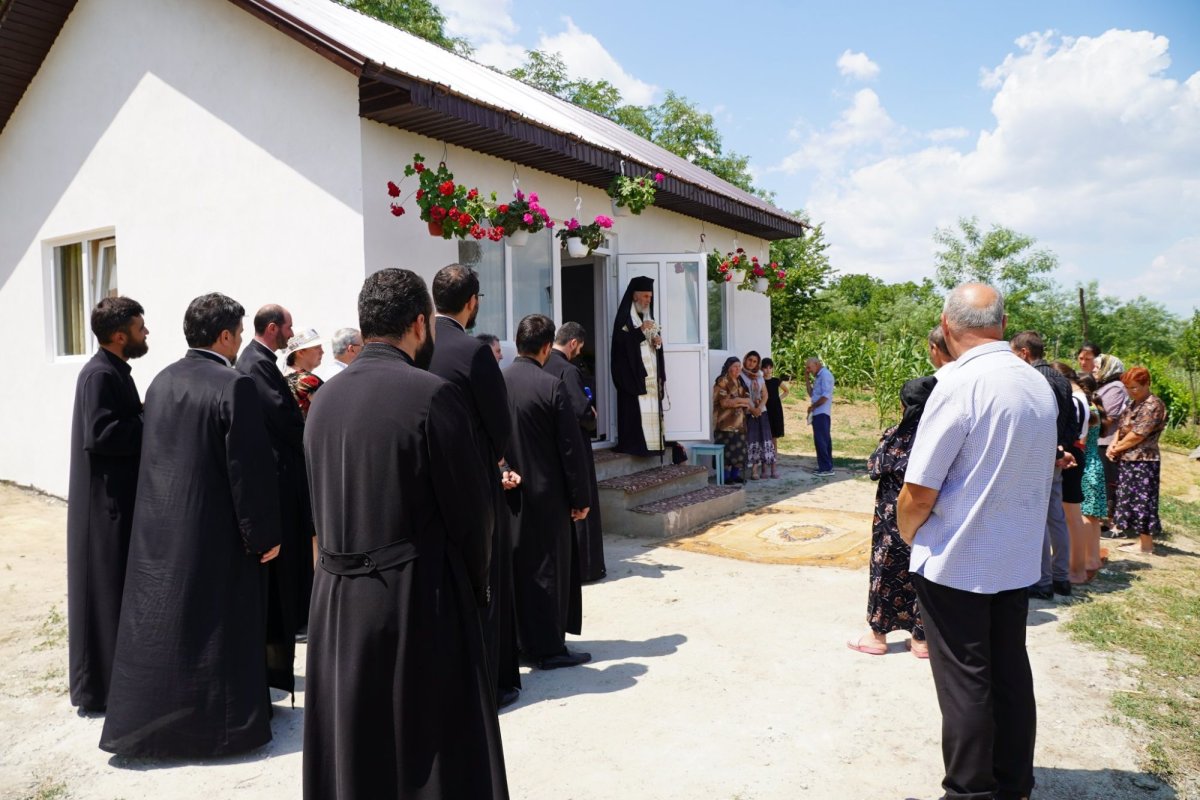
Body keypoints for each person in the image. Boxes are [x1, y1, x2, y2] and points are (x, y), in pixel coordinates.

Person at [303, 268, 508, 799]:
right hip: (416, 598)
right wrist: (476, 586)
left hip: (336, 602)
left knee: (357, 749)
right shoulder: (431, 396)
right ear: (420, 323)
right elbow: (471, 513)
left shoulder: (322, 400)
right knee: (426, 750)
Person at [100, 293, 281, 757]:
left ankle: (156, 726)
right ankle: (224, 730)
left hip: (160, 528)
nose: (241, 341)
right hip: (216, 530)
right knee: (219, 632)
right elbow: (247, 469)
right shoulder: (233, 384)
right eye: (239, 333)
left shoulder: (160, 380)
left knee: (167, 630)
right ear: (224, 335)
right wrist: (263, 535)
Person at [898, 283, 1057, 800]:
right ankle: (1014, 782)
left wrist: (908, 532)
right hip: (1014, 557)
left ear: (946, 324)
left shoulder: (959, 384)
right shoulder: (1033, 382)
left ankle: (968, 791)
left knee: (966, 680)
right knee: (1009, 671)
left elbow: (920, 489)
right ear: (1003, 325)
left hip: (958, 559)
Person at [427, 264, 521, 709]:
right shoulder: (472, 352)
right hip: (474, 480)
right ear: (472, 301)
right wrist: (496, 460)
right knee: (485, 576)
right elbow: (500, 424)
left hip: (425, 480)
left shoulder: (418, 345)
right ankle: (491, 680)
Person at [66, 296, 148, 713]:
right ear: (120, 335)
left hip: (113, 504)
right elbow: (101, 434)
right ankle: (97, 691)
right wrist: (147, 422)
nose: (145, 332)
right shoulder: (99, 374)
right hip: (103, 510)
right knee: (101, 595)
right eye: (139, 327)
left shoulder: (113, 369)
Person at [504, 314, 592, 670]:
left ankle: (522, 642)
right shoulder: (550, 385)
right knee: (549, 571)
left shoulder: (498, 381)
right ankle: (550, 648)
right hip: (548, 496)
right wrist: (581, 498)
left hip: (509, 492)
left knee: (516, 568)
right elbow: (570, 450)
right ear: (545, 347)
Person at [236, 304, 313, 694]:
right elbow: (283, 416)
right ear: (272, 328)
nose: (291, 332)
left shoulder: (262, 360)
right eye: (288, 326)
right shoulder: (256, 362)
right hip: (278, 479)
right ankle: (275, 670)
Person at [849, 376, 936, 659]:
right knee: (922, 577)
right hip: (929, 520)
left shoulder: (896, 434)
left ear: (903, 404)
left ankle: (877, 637)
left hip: (892, 520)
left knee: (884, 574)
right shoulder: (939, 439)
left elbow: (874, 466)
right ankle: (921, 641)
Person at [1010, 330, 1078, 600]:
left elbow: (1033, 420)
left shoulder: (1031, 379)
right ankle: (1061, 576)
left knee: (1034, 518)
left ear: (1025, 353)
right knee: (1056, 518)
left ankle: (1042, 581)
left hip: (1037, 458)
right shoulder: (1061, 378)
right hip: (1056, 456)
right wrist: (1062, 448)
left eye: (1015, 354)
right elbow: (1071, 422)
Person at [545, 321, 606, 583]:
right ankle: (587, 567)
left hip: (550, 445)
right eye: (579, 348)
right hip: (574, 443)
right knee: (582, 502)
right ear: (572, 343)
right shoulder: (568, 370)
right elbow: (581, 411)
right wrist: (593, 416)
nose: (578, 353)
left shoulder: (542, 363)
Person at [1107, 366, 1167, 556]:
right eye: (1128, 388)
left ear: (1147, 384)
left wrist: (1117, 448)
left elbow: (1138, 434)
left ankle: (1146, 545)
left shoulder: (1153, 405)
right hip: (1128, 459)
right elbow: (1122, 427)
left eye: (1135, 387)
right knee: (1130, 501)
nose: (1131, 391)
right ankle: (1139, 542)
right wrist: (1113, 444)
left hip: (1144, 461)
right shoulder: (1132, 404)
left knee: (1143, 502)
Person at [610, 276, 665, 455]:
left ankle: (653, 447)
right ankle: (636, 446)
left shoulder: (649, 317)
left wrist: (658, 342)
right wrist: (640, 331)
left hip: (650, 373)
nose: (649, 300)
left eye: (650, 297)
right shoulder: (624, 318)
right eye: (646, 296)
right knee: (635, 411)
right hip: (632, 375)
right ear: (635, 296)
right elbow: (621, 344)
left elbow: (654, 346)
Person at [1051, 362, 1091, 584]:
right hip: (1077, 452)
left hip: (1071, 453)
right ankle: (1076, 567)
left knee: (1071, 517)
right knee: (1072, 517)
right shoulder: (1081, 398)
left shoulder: (1074, 400)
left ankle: (1076, 569)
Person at [1094, 353, 1130, 530]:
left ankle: (1110, 520)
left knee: (1108, 480)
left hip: (1107, 441)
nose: (1094, 369)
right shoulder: (1106, 385)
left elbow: (1107, 416)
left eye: (1098, 366)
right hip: (1100, 439)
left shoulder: (1115, 388)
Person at [1078, 373, 1108, 578]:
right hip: (1095, 463)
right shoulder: (1095, 408)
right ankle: (1094, 557)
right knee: (1094, 516)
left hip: (1087, 464)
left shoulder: (1087, 410)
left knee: (1086, 515)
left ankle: (1087, 560)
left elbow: (1082, 439)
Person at [712, 357, 751, 484]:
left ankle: (735, 475)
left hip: (740, 423)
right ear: (728, 367)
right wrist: (739, 402)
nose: (738, 369)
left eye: (739, 366)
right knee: (726, 452)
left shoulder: (740, 381)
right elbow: (724, 403)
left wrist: (737, 401)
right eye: (735, 366)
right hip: (725, 423)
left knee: (738, 452)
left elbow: (748, 400)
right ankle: (725, 476)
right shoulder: (722, 381)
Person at [740, 351, 776, 480]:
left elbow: (765, 394)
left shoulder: (759, 376)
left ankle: (756, 469)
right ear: (745, 359)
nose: (751, 363)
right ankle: (749, 470)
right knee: (751, 440)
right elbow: (742, 395)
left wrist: (759, 408)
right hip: (748, 412)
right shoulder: (740, 376)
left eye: (755, 361)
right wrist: (752, 409)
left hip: (761, 412)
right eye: (750, 360)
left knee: (760, 440)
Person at [284, 328, 325, 418]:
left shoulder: (280, 379)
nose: (322, 352)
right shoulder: (309, 381)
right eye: (316, 347)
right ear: (300, 352)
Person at [805, 357, 835, 476]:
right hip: (818, 412)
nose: (808, 370)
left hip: (822, 412)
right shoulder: (818, 377)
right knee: (822, 439)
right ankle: (825, 465)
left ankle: (826, 468)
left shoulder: (825, 375)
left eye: (809, 367)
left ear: (816, 364)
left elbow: (825, 396)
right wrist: (806, 379)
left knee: (821, 440)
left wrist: (814, 406)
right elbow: (812, 393)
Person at [762, 357, 788, 460]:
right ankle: (765, 458)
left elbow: (786, 391)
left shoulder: (776, 380)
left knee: (774, 435)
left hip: (775, 409)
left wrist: (778, 399)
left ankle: (774, 458)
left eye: (770, 367)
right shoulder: (761, 381)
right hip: (765, 408)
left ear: (772, 368)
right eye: (765, 368)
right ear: (762, 369)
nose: (768, 370)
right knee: (764, 434)